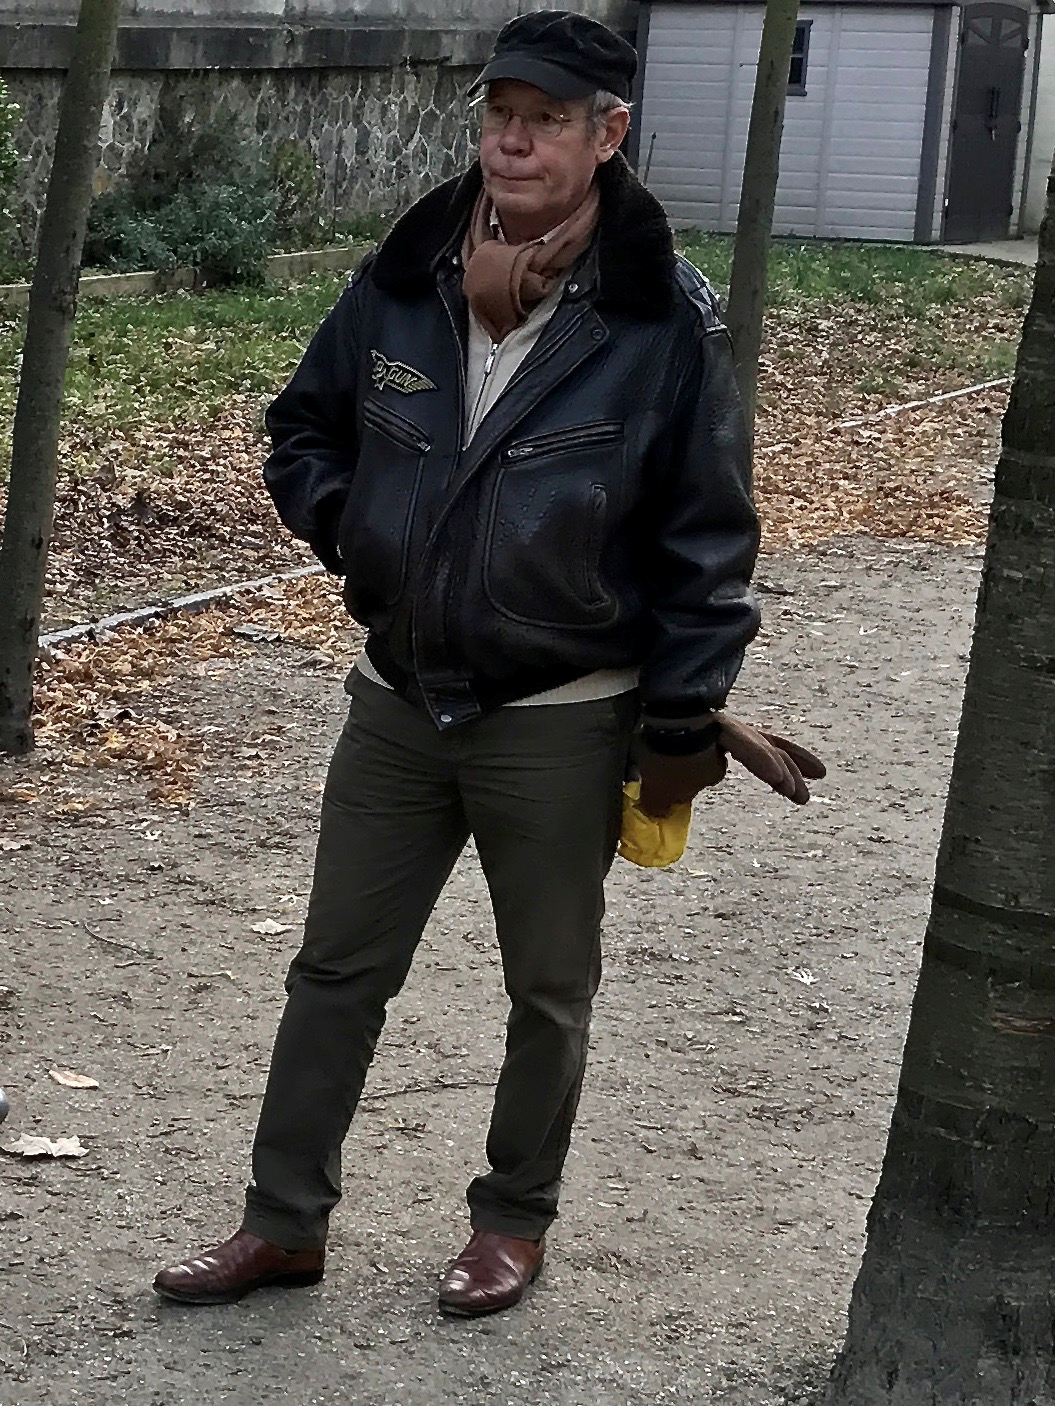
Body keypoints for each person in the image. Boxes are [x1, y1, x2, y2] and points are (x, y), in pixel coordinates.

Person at [153, 9, 822, 1317]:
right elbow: (302, 430)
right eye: (499, 115)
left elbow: (707, 537)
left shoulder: (661, 320)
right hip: (398, 702)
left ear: (606, 134)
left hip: (562, 714)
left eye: (546, 120)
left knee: (547, 991)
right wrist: (361, 527)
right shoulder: (404, 275)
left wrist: (680, 716)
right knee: (334, 972)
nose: (513, 142)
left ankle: (511, 1221)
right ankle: (281, 1223)